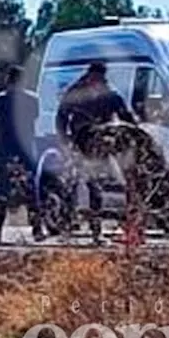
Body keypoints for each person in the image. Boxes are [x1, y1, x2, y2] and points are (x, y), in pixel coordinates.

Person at [55, 61, 136, 243]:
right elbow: (61, 117)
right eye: (95, 78)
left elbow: (125, 115)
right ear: (89, 75)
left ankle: (96, 231)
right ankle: (66, 227)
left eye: (100, 79)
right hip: (78, 142)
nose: (97, 82)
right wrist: (64, 140)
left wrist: (134, 130)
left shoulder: (109, 93)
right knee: (71, 185)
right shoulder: (75, 92)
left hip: (100, 144)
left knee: (95, 186)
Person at [0, 66, 43, 244]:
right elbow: (34, 119)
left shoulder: (0, 100)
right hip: (26, 151)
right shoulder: (32, 100)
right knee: (31, 193)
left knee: (3, 192)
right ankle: (37, 230)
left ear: (7, 79)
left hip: (6, 152)